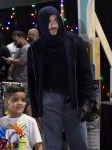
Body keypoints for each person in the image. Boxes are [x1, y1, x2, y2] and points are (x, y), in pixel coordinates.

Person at [27, 6, 94, 150]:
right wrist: (36, 109)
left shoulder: (74, 41)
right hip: (48, 101)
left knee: (80, 143)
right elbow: (32, 81)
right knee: (52, 145)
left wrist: (88, 100)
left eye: (56, 20)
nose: (53, 25)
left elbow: (86, 72)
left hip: (73, 100)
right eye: (49, 21)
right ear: (42, 23)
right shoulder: (34, 48)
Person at [0, 84, 43, 150]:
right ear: (6, 102)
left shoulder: (30, 121)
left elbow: (38, 145)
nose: (20, 103)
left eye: (23, 100)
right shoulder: (1, 122)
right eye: (15, 100)